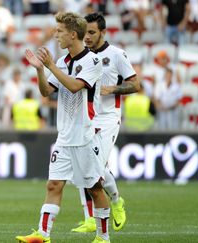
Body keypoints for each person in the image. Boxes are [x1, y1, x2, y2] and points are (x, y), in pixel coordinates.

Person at [16, 12, 110, 243]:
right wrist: (40, 69)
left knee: (95, 188)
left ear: (73, 34)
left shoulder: (92, 61)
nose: (55, 35)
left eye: (59, 32)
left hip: (86, 135)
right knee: (54, 184)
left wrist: (51, 66)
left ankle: (103, 237)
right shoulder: (61, 62)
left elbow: (75, 86)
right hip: (64, 136)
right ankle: (43, 234)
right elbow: (47, 91)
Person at [71, 12, 140, 233]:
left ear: (103, 32)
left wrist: (111, 88)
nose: (87, 37)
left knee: (96, 168)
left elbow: (136, 85)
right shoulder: (81, 56)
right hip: (85, 117)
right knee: (83, 165)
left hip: (108, 118)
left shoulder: (117, 55)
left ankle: (117, 201)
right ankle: (90, 218)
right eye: (85, 33)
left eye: (92, 32)